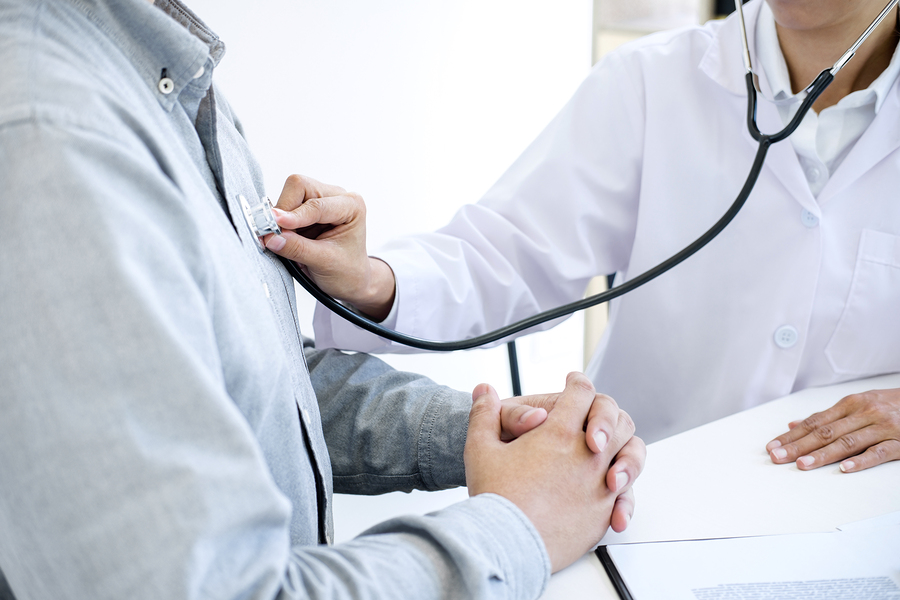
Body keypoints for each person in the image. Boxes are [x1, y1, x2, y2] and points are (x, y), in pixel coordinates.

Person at [0, 1, 646, 598]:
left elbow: (248, 378)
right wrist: (515, 525)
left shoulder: (169, 74)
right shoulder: (51, 139)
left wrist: (479, 433)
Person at [264, 0, 900, 471]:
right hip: (642, 501)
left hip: (858, 526)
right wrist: (371, 280)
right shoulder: (652, 82)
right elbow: (507, 259)